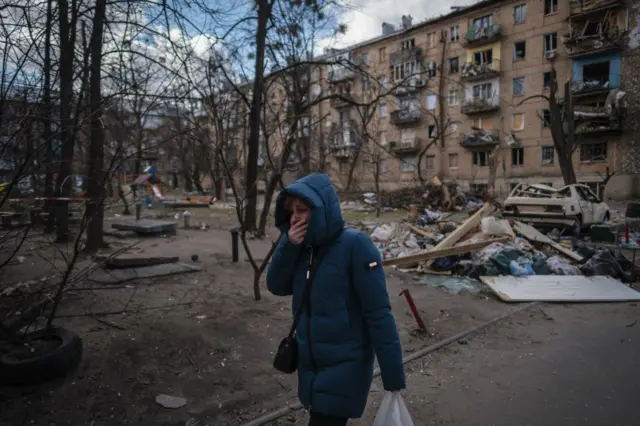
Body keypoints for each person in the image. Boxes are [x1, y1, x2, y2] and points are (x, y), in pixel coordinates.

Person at [267, 173, 406, 426]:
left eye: (302, 209)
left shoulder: (356, 246)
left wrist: (393, 376)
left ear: (321, 210)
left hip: (345, 368)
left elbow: (378, 314)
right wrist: (288, 246)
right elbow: (276, 286)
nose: (295, 217)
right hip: (311, 367)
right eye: (291, 211)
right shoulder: (302, 247)